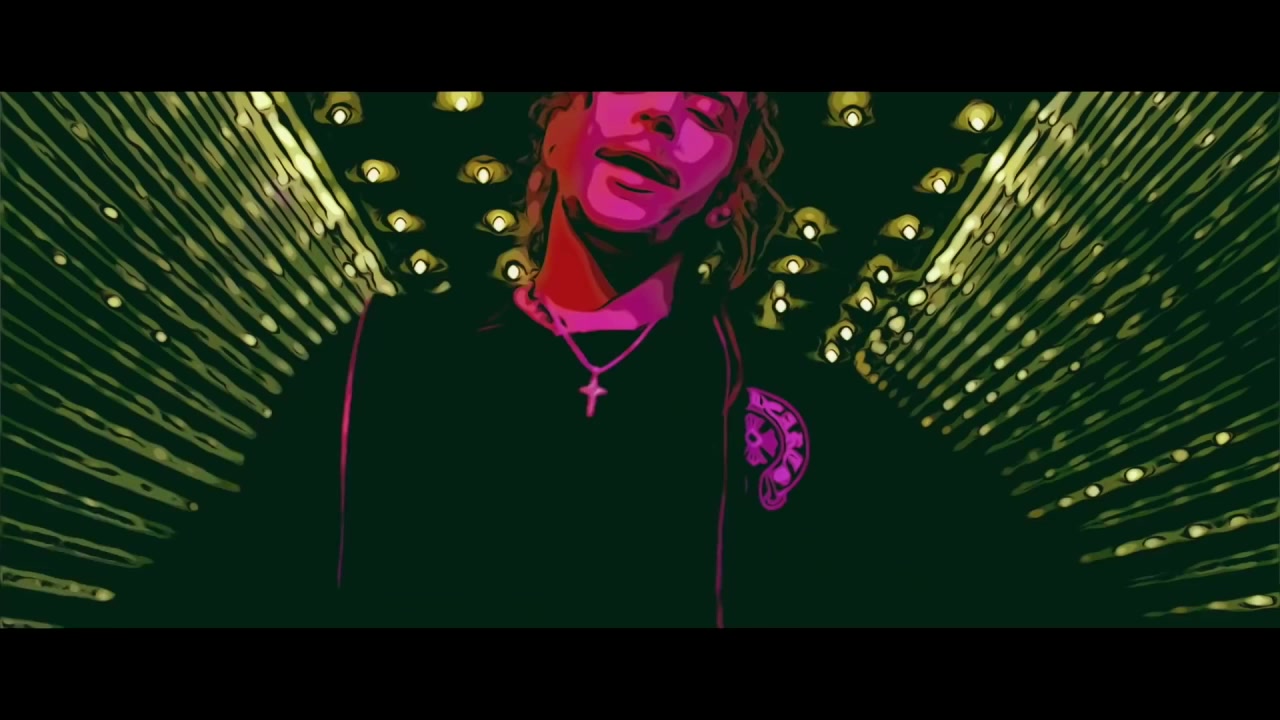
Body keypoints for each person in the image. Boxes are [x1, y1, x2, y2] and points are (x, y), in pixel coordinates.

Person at [136, 92, 1105, 628]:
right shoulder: (381, 357)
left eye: (710, 113)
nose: (663, 119)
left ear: (724, 194)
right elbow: (234, 577)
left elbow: (1007, 577)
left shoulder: (789, 399)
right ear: (559, 129)